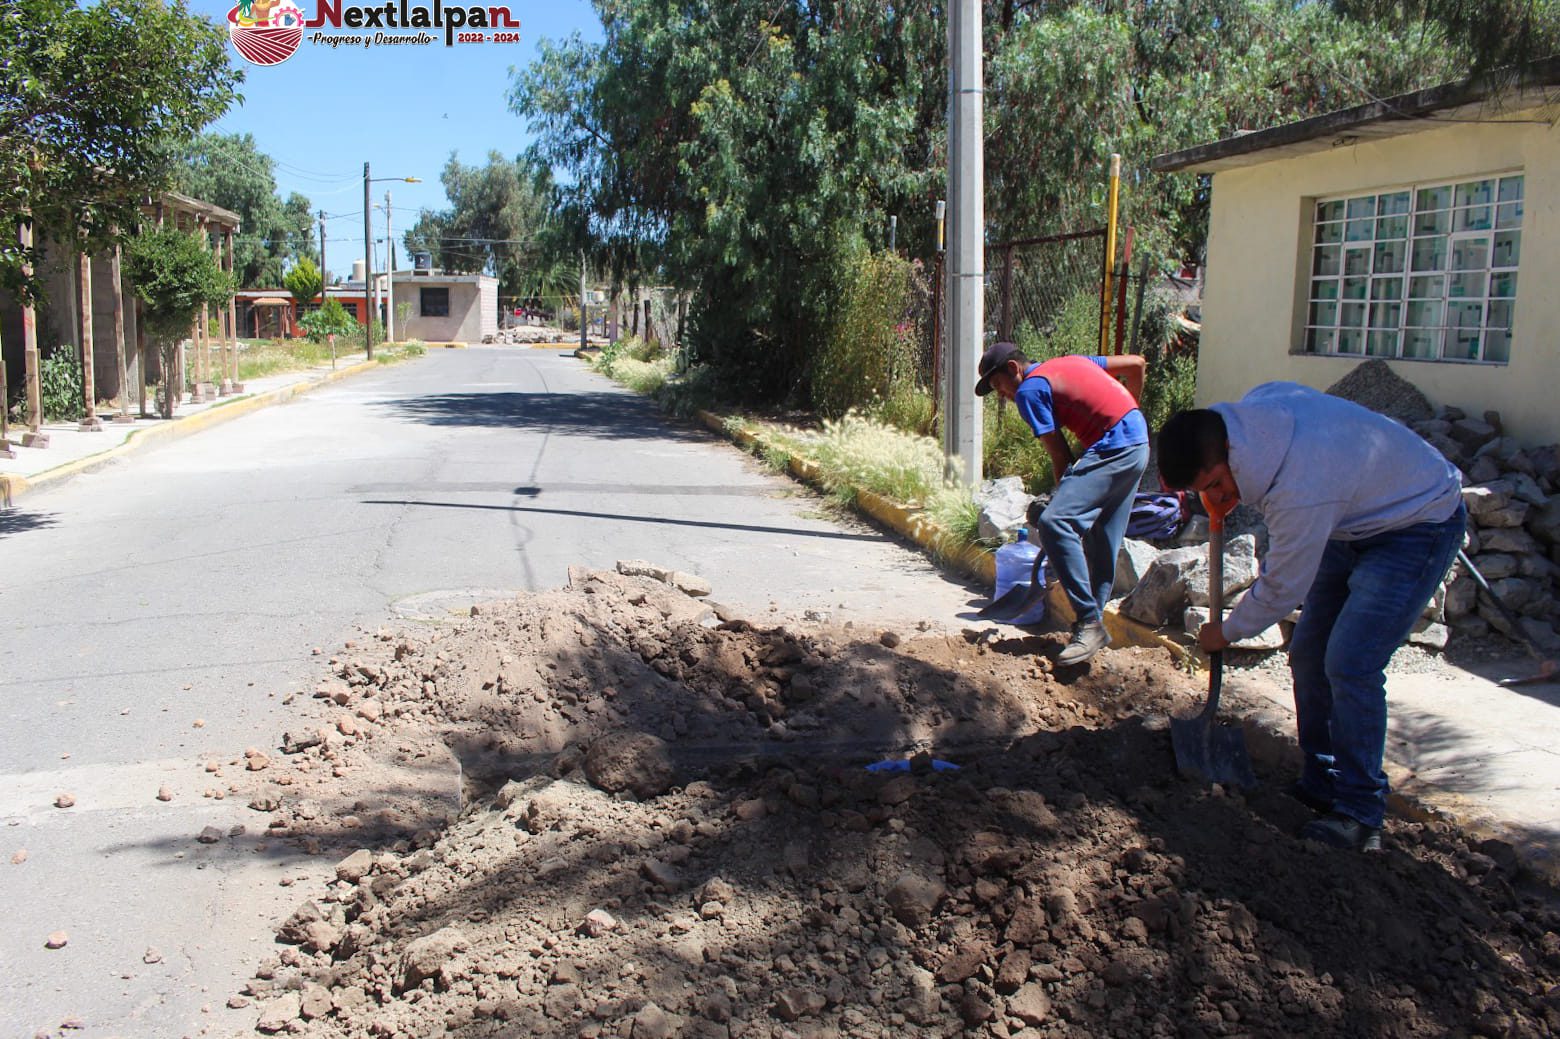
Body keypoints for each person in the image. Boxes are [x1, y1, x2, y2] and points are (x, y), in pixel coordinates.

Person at [1156, 383, 1466, 851]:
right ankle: (1322, 779)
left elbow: (1282, 587)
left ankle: (1361, 814)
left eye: (1215, 485)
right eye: (1206, 491)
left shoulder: (1300, 491)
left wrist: (1228, 631)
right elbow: (1276, 391)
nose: (1216, 497)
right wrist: (1220, 489)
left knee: (1350, 662)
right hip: (1353, 514)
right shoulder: (1257, 412)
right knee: (1308, 654)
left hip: (1417, 522)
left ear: (1230, 454)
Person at [975, 342, 1150, 665]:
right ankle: (1089, 639)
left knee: (1055, 523)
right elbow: (1136, 364)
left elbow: (1060, 455)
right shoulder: (1071, 362)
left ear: (1014, 369)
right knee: (1102, 543)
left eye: (999, 385)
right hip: (1137, 443)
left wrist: (1060, 500)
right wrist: (1129, 412)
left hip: (1112, 446)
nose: (1002, 394)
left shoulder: (1030, 390)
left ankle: (1088, 624)